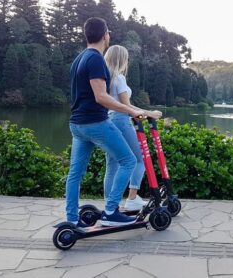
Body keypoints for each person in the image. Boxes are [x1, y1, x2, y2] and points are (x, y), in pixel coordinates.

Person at [66, 17, 145, 227]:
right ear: (105, 35)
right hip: (95, 123)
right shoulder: (96, 59)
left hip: (77, 125)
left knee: (75, 173)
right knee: (128, 161)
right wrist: (130, 110)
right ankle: (111, 211)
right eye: (108, 33)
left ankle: (72, 219)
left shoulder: (79, 59)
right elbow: (101, 97)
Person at [103, 45, 162, 211]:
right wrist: (149, 113)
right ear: (122, 59)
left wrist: (142, 113)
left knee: (112, 164)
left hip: (109, 120)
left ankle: (110, 204)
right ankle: (132, 197)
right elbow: (126, 106)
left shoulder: (105, 78)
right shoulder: (119, 78)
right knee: (139, 159)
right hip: (121, 120)